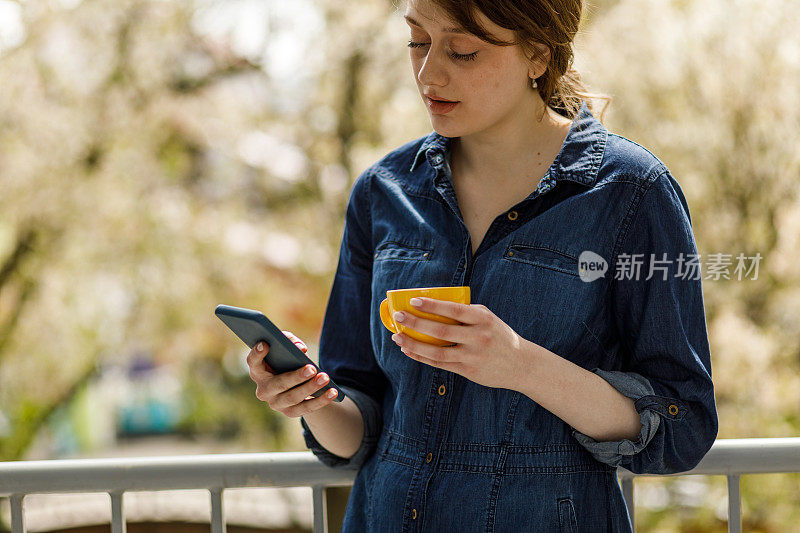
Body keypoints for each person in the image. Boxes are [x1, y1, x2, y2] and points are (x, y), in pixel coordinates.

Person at [245, 0, 719, 530]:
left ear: (537, 54)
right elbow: (360, 433)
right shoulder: (384, 191)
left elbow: (684, 427)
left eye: (463, 51)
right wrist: (311, 401)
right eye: (417, 41)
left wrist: (519, 364)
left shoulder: (632, 194)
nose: (429, 73)